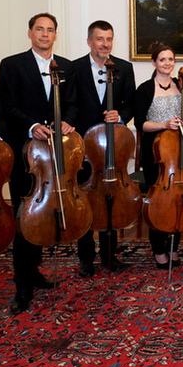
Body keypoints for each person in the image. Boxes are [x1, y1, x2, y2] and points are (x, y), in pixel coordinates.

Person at [0, 12, 78, 314]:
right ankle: (22, 284)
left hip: (56, 151)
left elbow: (73, 102)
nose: (45, 34)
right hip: (27, 154)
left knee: (47, 212)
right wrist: (32, 126)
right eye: (40, 29)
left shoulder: (66, 67)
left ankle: (35, 270)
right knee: (25, 215)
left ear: (55, 35)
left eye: (50, 30)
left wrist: (67, 121)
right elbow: (9, 107)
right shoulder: (12, 64)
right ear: (30, 33)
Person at [69, 20, 136, 277]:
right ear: (89, 41)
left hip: (113, 144)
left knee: (112, 198)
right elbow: (70, 103)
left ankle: (109, 255)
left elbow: (131, 104)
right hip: (84, 145)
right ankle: (85, 257)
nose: (105, 44)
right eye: (100, 39)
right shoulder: (74, 68)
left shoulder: (124, 68)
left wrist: (120, 115)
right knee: (84, 199)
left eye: (109, 39)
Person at [133, 44, 183, 269]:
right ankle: (159, 250)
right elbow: (140, 124)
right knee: (158, 203)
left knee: (179, 200)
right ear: (154, 63)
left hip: (178, 152)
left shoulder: (182, 86)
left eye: (170, 59)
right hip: (155, 153)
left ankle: (174, 248)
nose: (167, 63)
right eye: (162, 60)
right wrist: (164, 124)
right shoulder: (145, 88)